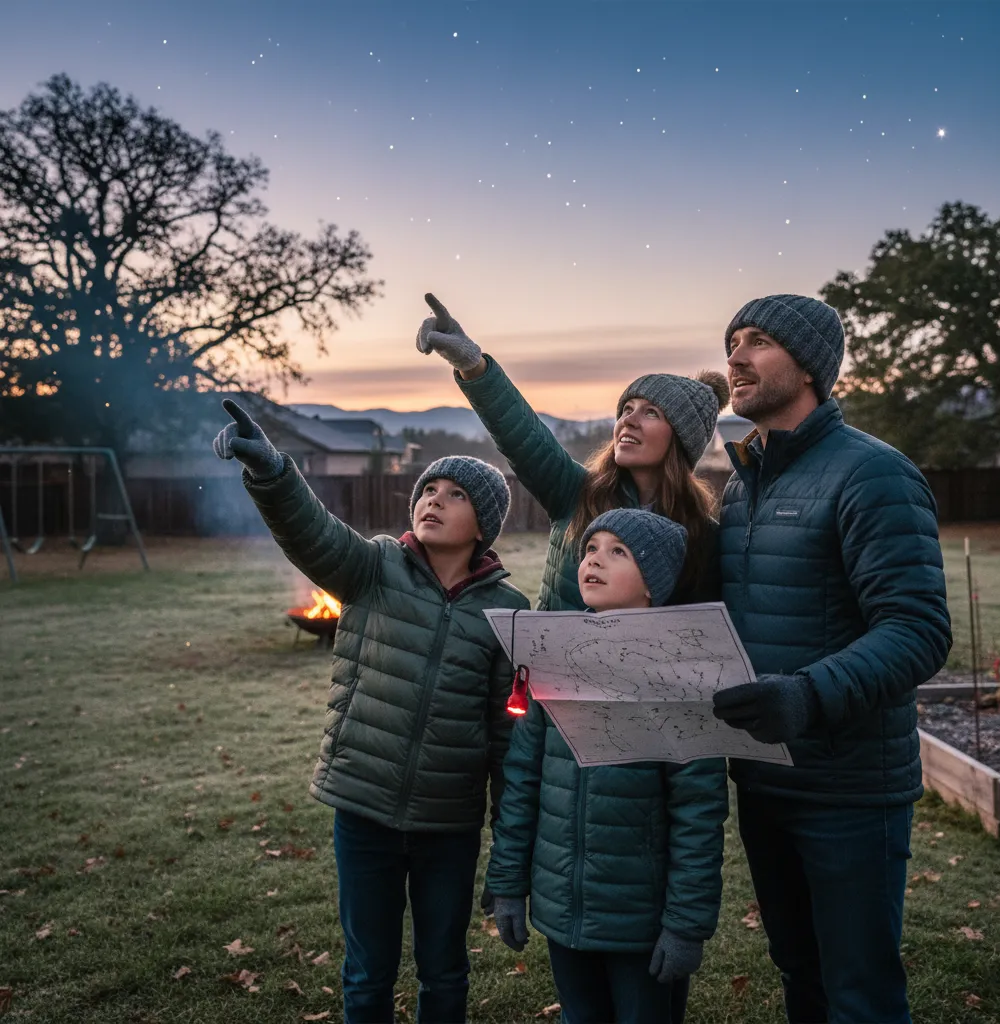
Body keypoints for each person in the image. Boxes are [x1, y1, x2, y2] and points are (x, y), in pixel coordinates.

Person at [212, 399, 530, 1024]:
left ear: (484, 524)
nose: (434, 500)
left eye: (455, 494)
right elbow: (313, 530)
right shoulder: (375, 567)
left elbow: (507, 741)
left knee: (444, 971)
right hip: (365, 809)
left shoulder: (505, 610)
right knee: (367, 975)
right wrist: (273, 471)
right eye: (428, 489)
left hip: (449, 822)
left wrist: (509, 856)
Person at [709, 294, 952, 1024]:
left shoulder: (872, 474)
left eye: (758, 342)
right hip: (765, 779)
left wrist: (806, 696)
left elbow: (917, 630)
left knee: (859, 992)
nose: (737, 358)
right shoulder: (743, 485)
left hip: (849, 789)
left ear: (810, 366)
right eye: (732, 343)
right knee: (800, 975)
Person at [487, 508, 729, 1024]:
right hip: (560, 906)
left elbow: (699, 814)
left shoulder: (681, 679)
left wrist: (686, 925)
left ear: (654, 583)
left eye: (618, 552)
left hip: (639, 921)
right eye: (592, 548)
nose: (595, 559)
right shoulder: (553, 662)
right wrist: (508, 884)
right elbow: (522, 781)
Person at [415, 293, 728, 613]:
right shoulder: (577, 492)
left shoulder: (702, 537)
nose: (627, 422)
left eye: (651, 414)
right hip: (549, 661)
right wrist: (473, 366)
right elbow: (523, 435)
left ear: (681, 439)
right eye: (626, 409)